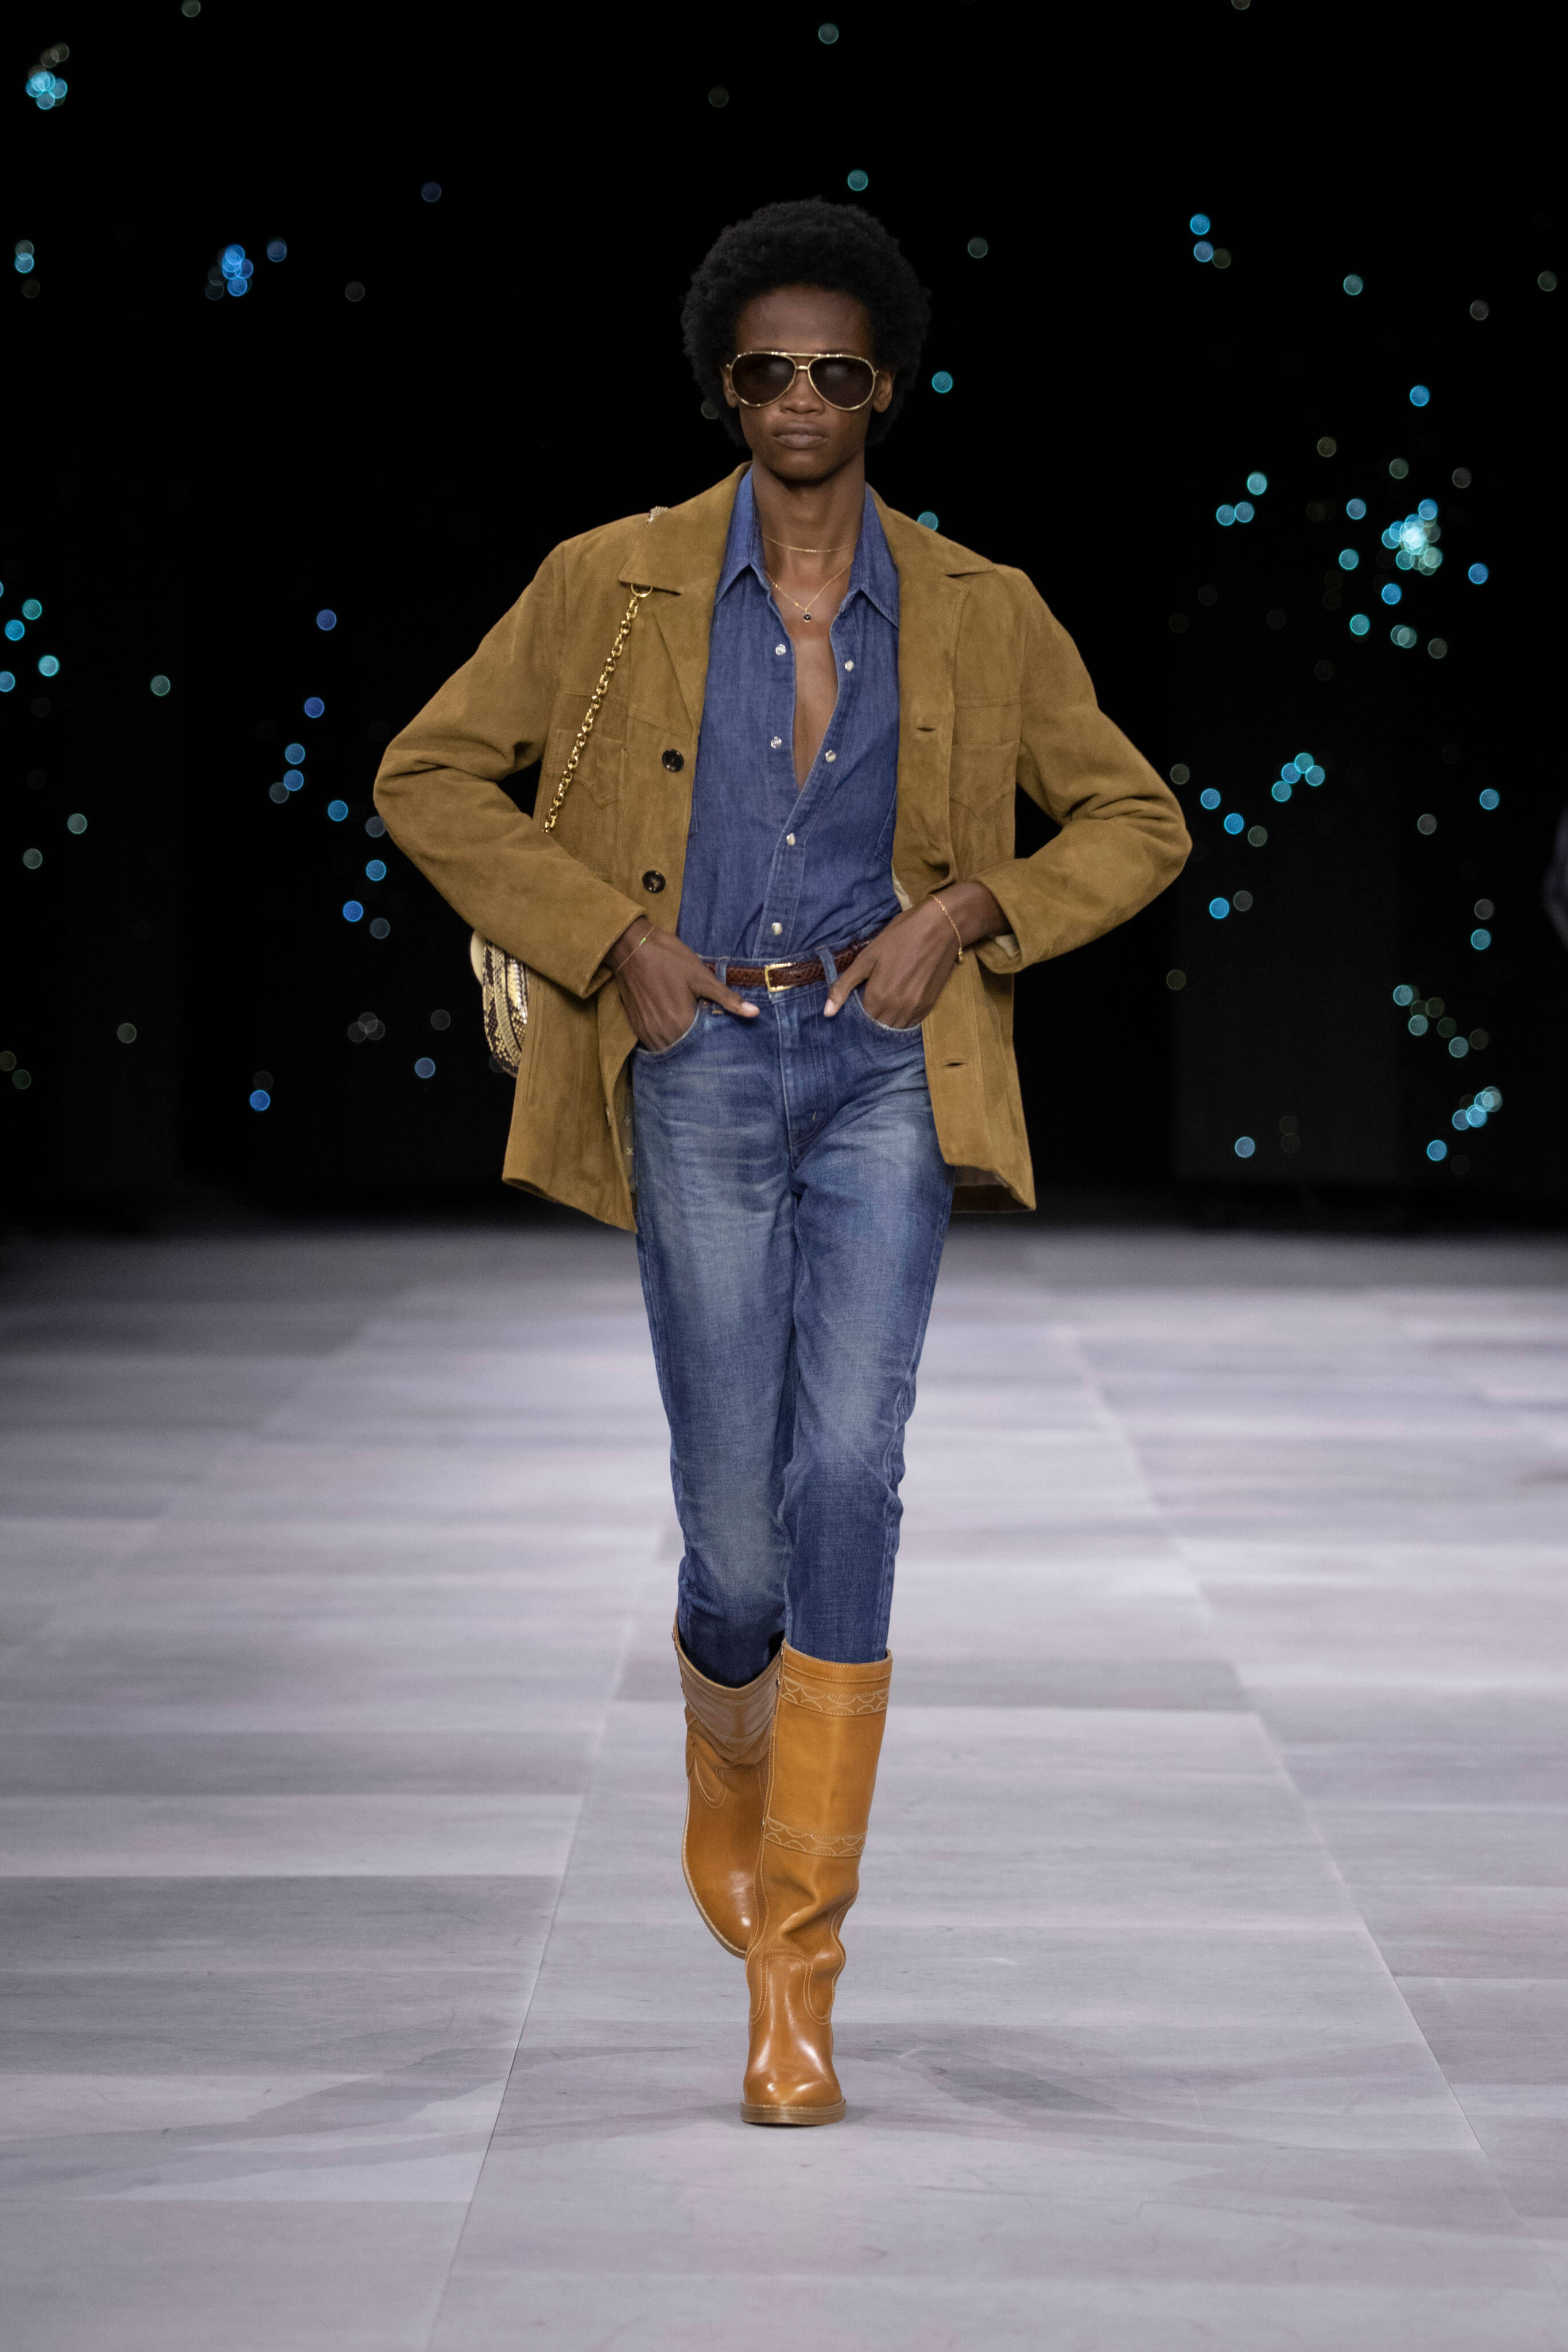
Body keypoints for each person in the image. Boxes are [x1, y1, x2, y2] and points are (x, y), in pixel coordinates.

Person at [374, 198, 1189, 2126]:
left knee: (849, 1470)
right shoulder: (611, 580)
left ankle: (796, 1967)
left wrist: (967, 909)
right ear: (722, 388)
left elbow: (1138, 817)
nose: (800, 397)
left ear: (884, 387)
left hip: (885, 1066)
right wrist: (609, 938)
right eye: (765, 370)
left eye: (834, 369)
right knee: (733, 1534)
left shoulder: (979, 603)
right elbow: (426, 771)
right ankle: (724, 1751)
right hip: (701, 1060)